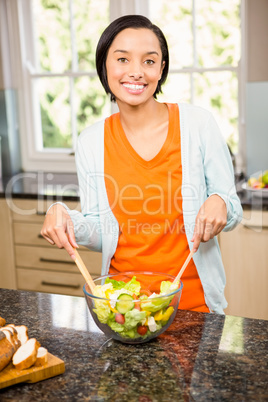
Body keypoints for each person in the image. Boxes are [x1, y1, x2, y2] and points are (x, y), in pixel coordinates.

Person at [41, 15, 242, 314]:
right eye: (122, 59)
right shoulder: (91, 141)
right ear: (105, 66)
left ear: (161, 69)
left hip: (194, 307)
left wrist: (220, 202)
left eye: (149, 62)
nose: (136, 72)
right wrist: (66, 218)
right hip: (124, 308)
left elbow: (233, 209)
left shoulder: (198, 124)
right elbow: (100, 228)